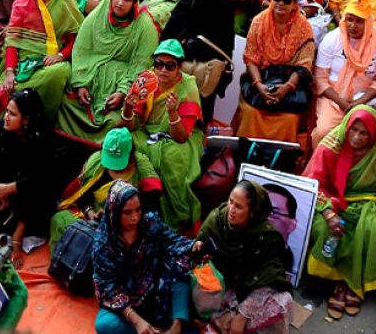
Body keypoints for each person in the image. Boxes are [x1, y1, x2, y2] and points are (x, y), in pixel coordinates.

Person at [303, 105, 376, 320]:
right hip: (329, 200)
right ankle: (341, 282)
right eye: (353, 130)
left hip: (368, 202)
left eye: (363, 133)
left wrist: (367, 209)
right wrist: (328, 212)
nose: (356, 137)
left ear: (373, 135)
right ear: (346, 127)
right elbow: (312, 183)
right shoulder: (330, 146)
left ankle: (351, 285)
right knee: (326, 230)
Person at [116, 39, 204, 232]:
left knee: (171, 161)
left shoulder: (188, 88)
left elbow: (181, 136)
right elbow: (130, 126)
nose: (163, 70)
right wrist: (128, 108)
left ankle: (177, 220)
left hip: (180, 135)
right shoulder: (146, 81)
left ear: (179, 68)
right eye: (159, 64)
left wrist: (173, 112)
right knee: (124, 142)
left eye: (170, 66)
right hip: (148, 131)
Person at [58, 0, 159, 143]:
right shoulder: (96, 18)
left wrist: (122, 91)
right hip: (90, 83)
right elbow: (81, 51)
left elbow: (140, 66)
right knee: (64, 105)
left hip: (117, 89)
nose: (120, 3)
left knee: (114, 122)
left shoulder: (145, 27)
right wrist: (81, 83)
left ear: (135, 3)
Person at [0, 89, 58, 266]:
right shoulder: (1, 129)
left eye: (13, 114)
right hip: (1, 189)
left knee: (38, 191)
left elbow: (40, 182)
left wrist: (10, 189)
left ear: (26, 120)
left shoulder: (40, 141)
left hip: (26, 196)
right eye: (6, 111)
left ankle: (16, 239)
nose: (6, 117)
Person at [90, 180, 196, 334]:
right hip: (126, 301)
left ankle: (176, 324)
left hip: (156, 289)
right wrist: (137, 321)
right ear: (115, 211)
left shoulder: (150, 223)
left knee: (182, 261)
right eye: (127, 212)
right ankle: (152, 330)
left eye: (138, 210)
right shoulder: (103, 242)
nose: (135, 217)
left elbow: (174, 241)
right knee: (104, 325)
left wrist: (194, 247)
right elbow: (107, 288)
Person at [194, 181, 295, 334]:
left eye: (239, 207)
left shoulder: (266, 237)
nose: (231, 210)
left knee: (283, 301)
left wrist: (242, 314)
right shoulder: (217, 219)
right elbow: (198, 246)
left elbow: (270, 275)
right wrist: (199, 250)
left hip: (247, 288)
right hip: (219, 286)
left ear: (252, 212)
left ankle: (226, 320)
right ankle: (219, 319)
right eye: (230, 202)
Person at [0, 0, 84, 118]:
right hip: (25, 56)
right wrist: (10, 72)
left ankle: (5, 94)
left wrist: (60, 56)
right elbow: (13, 39)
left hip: (53, 58)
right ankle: (10, 99)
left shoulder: (65, 1)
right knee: (18, 73)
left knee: (59, 73)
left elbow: (76, 38)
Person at [237, 0, 315, 144]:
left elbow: (304, 66)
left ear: (295, 4)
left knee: (289, 119)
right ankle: (247, 155)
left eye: (286, 0)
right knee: (252, 113)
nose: (280, 3)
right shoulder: (258, 22)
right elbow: (251, 59)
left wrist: (286, 88)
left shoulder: (304, 27)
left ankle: (280, 160)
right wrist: (259, 86)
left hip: (290, 82)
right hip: (261, 79)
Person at [311, 0, 376, 145]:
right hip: (334, 97)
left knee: (374, 138)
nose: (353, 25)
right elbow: (320, 78)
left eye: (359, 21)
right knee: (323, 132)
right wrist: (342, 102)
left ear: (368, 22)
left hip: (366, 98)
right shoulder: (332, 38)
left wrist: (359, 102)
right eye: (349, 19)